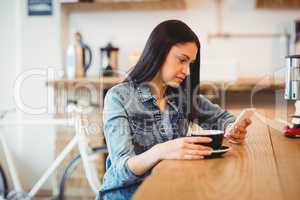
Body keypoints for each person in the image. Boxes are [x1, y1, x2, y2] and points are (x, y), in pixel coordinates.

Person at [96, 20, 252, 200]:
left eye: (191, 63)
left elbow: (222, 118)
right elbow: (121, 169)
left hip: (171, 190)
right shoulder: (119, 97)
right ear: (158, 52)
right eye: (182, 60)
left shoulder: (182, 96)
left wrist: (233, 128)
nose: (186, 71)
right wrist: (161, 150)